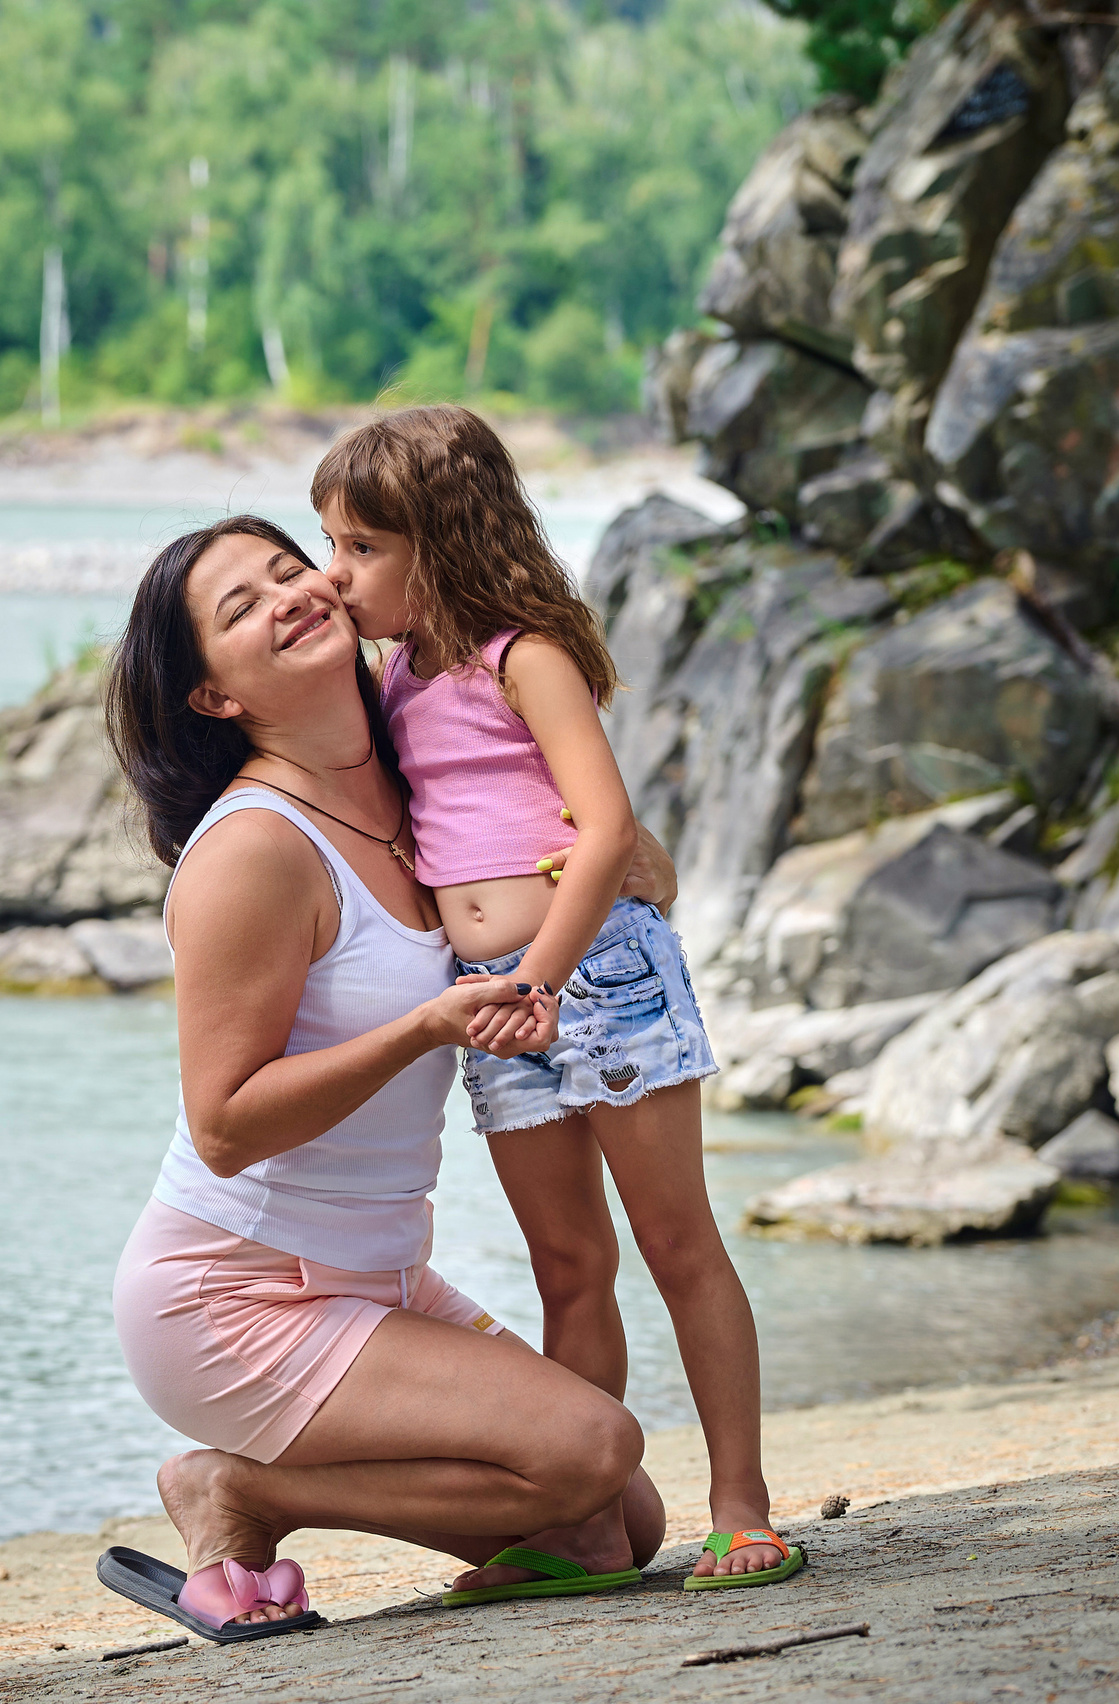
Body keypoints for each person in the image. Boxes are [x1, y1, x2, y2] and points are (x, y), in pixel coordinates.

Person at [103, 514, 673, 1635]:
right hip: (236, 1294)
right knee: (591, 1450)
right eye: (242, 607)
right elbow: (223, 1125)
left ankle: (262, 1487)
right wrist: (421, 1030)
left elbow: (582, 871)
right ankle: (240, 1490)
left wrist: (635, 865)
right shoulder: (254, 849)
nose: (289, 595)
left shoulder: (421, 785)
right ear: (213, 695)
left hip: (380, 1276)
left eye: (290, 568)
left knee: (617, 1526)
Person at [312, 404, 801, 1593]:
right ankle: (582, 1528)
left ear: (439, 543)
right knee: (567, 1266)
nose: (335, 575)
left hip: (595, 978)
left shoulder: (522, 656)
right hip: (494, 1001)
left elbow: (608, 826)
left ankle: (740, 1507)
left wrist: (541, 974)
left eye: (362, 548)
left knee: (676, 1243)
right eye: (329, 545)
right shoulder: (397, 677)